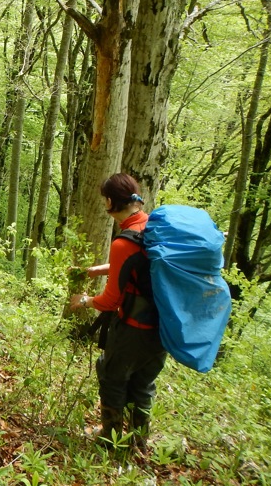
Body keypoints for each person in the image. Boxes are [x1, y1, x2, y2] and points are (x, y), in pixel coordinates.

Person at [70, 173, 166, 449]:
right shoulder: (151, 226)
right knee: (143, 384)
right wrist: (96, 270)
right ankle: (139, 441)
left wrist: (85, 301)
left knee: (112, 376)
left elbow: (111, 301)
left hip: (135, 328)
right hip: (165, 328)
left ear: (110, 201)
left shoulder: (124, 242)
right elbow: (138, 266)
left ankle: (110, 440)